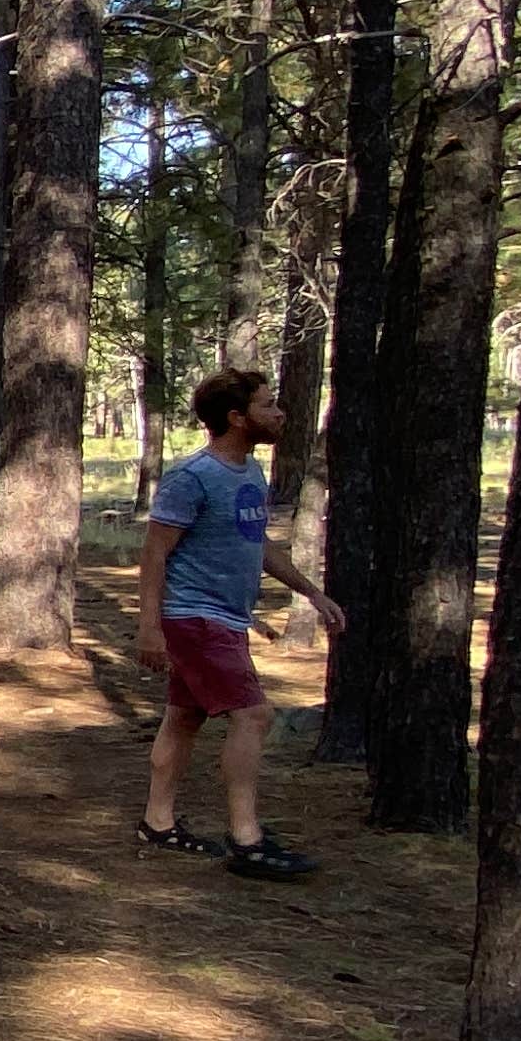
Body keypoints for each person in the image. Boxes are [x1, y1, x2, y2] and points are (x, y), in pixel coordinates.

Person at [138, 365, 342, 879]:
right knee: (253, 716)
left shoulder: (250, 472)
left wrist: (311, 591)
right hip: (195, 617)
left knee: (184, 718)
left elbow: (259, 546)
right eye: (268, 406)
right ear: (236, 417)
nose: (280, 413)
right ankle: (247, 838)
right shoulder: (192, 478)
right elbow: (155, 555)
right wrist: (150, 628)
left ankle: (157, 823)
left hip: (226, 617)